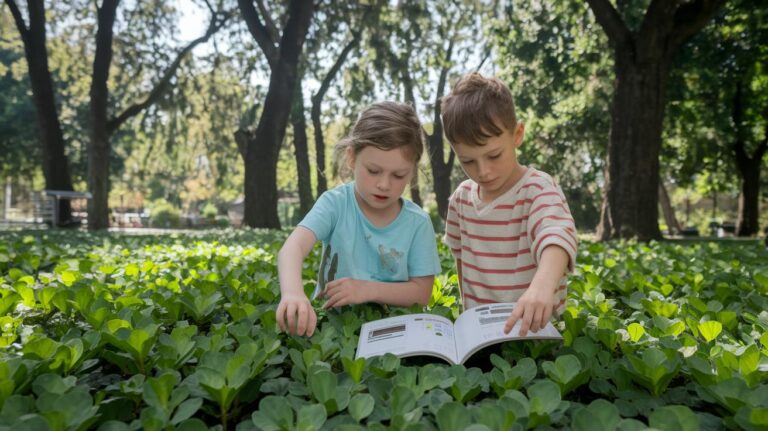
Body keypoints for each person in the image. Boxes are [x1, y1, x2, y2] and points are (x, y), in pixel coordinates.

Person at [276, 101, 442, 336]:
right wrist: (293, 293)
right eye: (373, 171)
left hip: (395, 332)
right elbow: (292, 248)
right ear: (352, 157)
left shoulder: (418, 223)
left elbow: (421, 292)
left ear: (412, 171)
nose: (384, 184)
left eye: (398, 175)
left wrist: (367, 290)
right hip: (331, 326)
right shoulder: (335, 203)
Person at [441, 73, 577, 337]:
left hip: (537, 333)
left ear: (517, 135)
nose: (483, 171)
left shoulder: (538, 188)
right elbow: (461, 260)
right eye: (467, 161)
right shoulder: (461, 199)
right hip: (481, 337)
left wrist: (542, 287)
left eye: (494, 155)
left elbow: (557, 237)